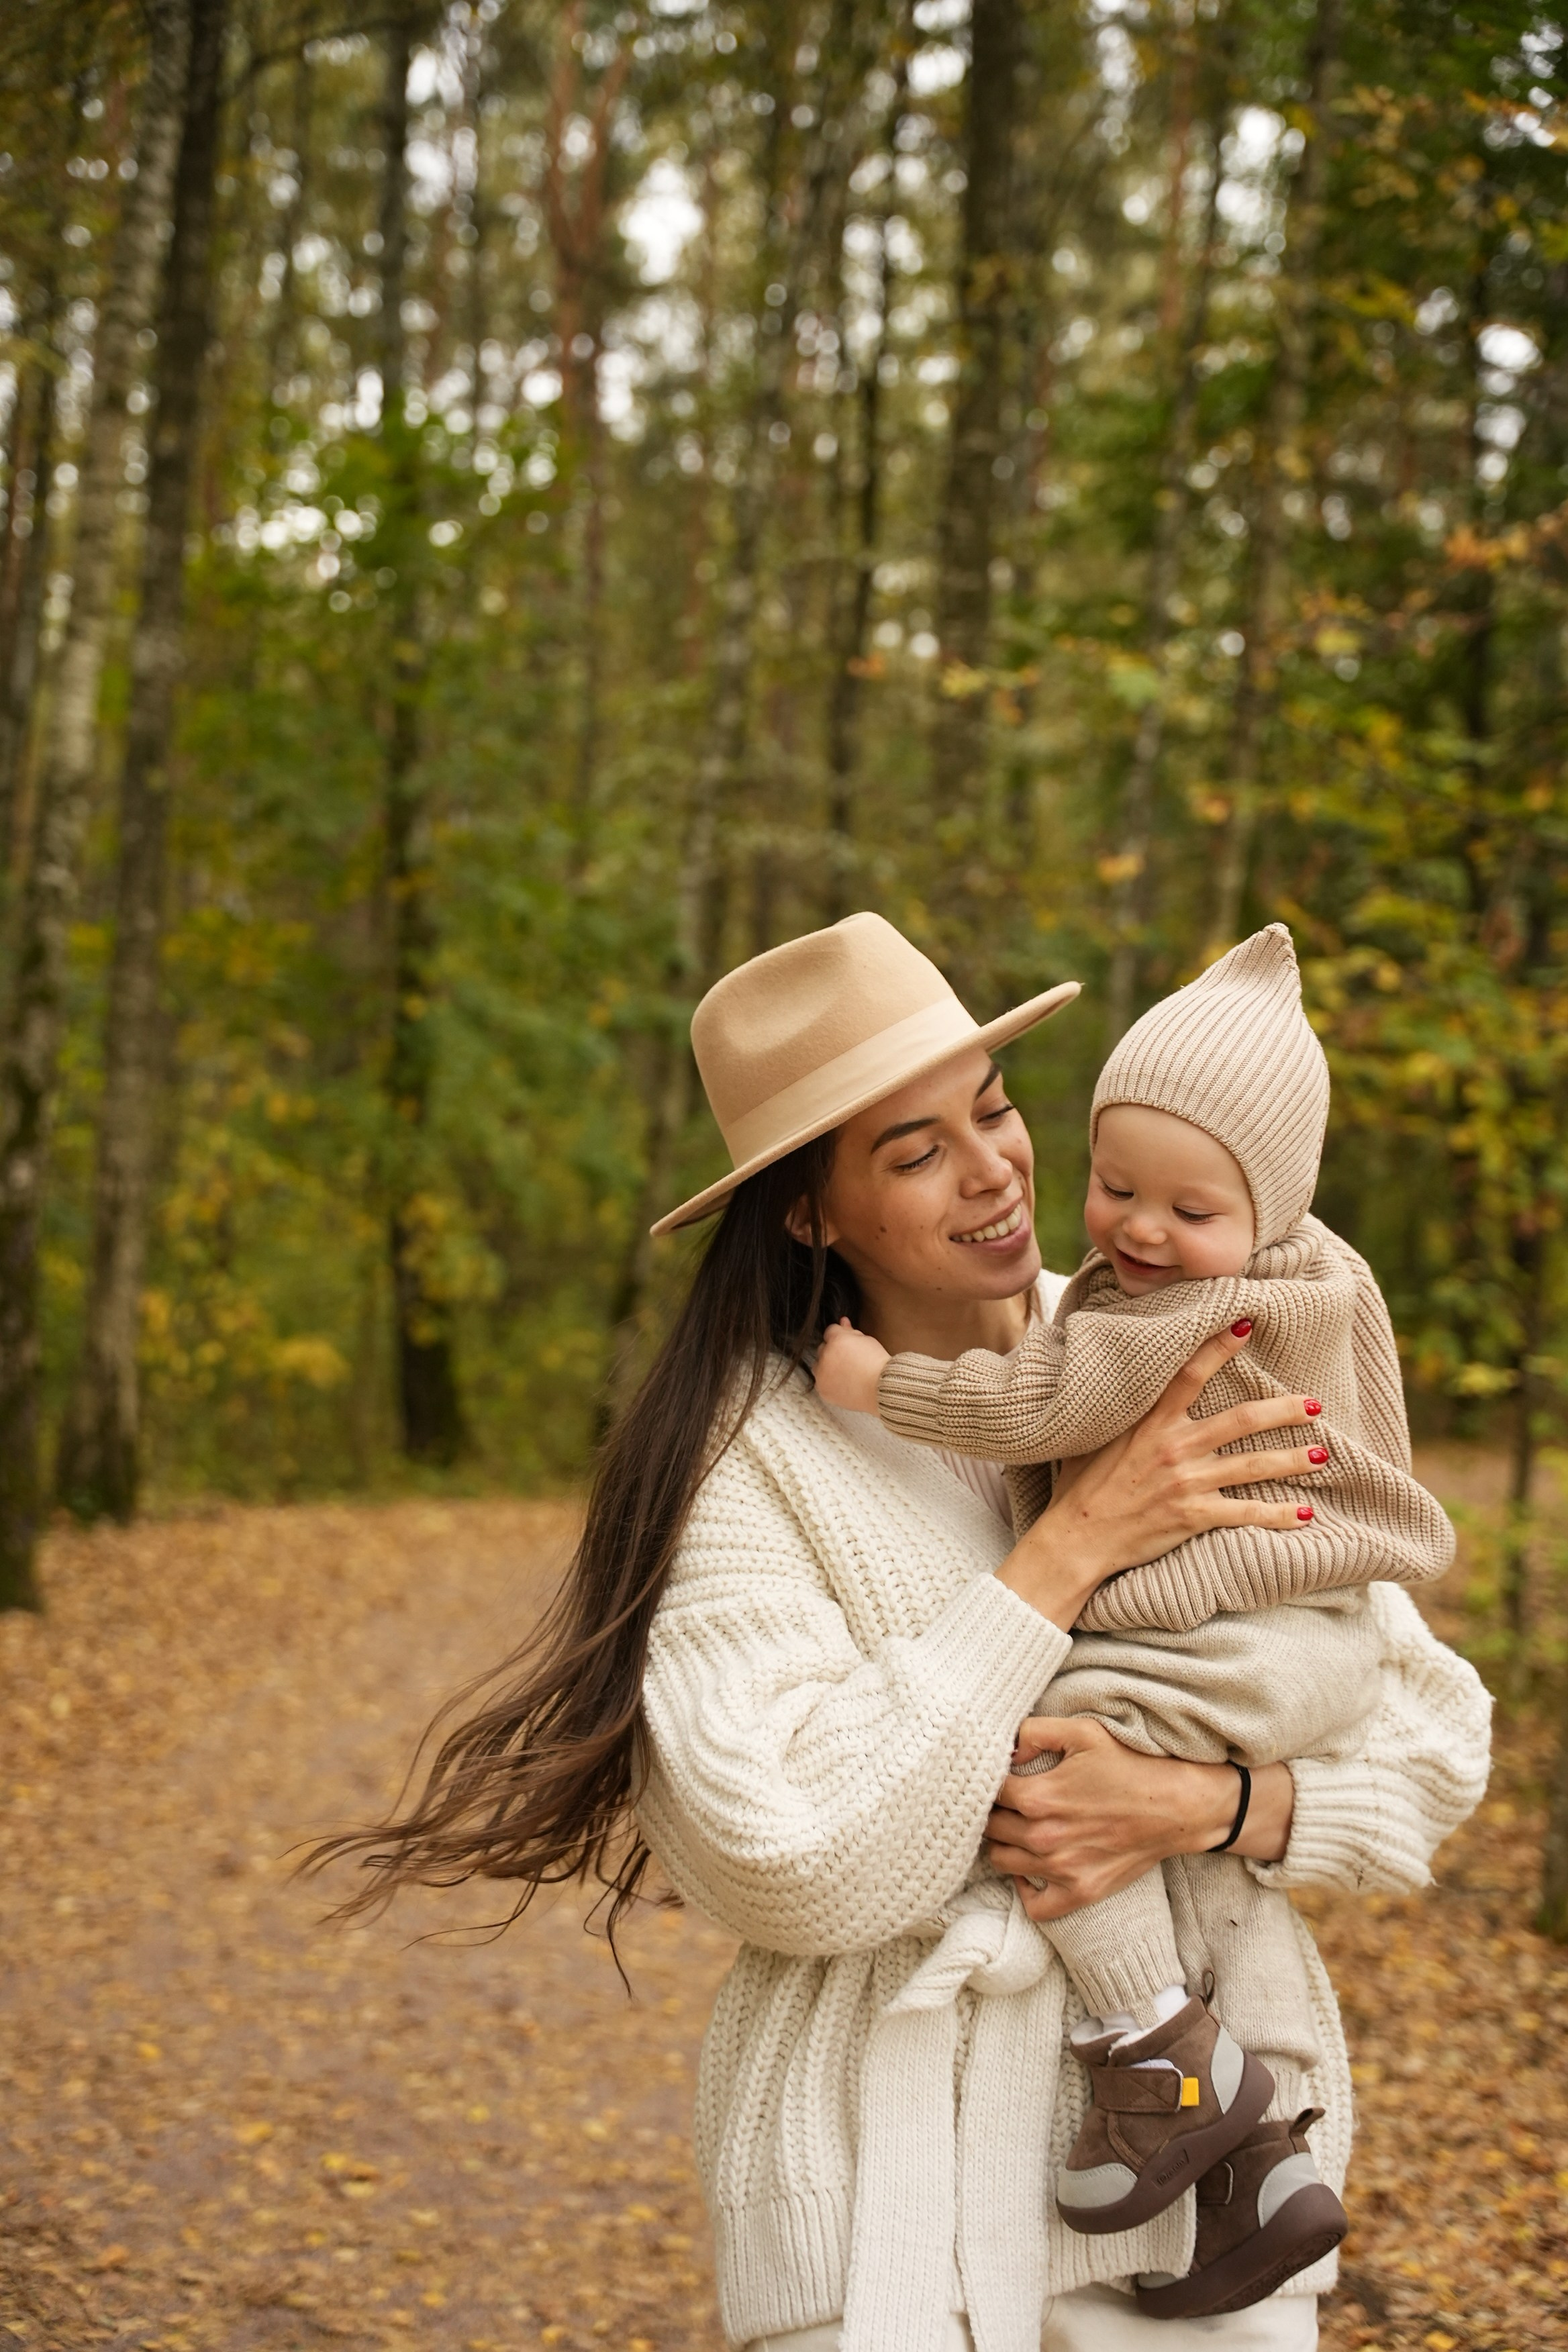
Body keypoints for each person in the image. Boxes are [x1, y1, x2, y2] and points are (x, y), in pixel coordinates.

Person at [315, 912, 1490, 2352]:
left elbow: (1433, 1738)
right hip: (884, 2220)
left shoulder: (1181, 1342)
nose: (993, 1167)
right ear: (810, 1212)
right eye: (913, 1150)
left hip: (1212, 2231)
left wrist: (1214, 1800)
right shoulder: (748, 1461)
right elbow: (792, 1859)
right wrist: (1069, 1548)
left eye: (991, 1109)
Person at [810, 924, 1456, 2307]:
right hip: (1309, 1640)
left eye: (991, 1112)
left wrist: (876, 1389)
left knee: (1047, 1759)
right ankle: (1254, 2176)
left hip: (1248, 1649)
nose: (1140, 1234)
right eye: (1115, 1189)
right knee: (1130, 1823)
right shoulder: (1315, 1279)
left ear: (1266, 1212)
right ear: (808, 1209)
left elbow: (1036, 1405)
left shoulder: (1155, 1320)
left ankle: (1162, 2056)